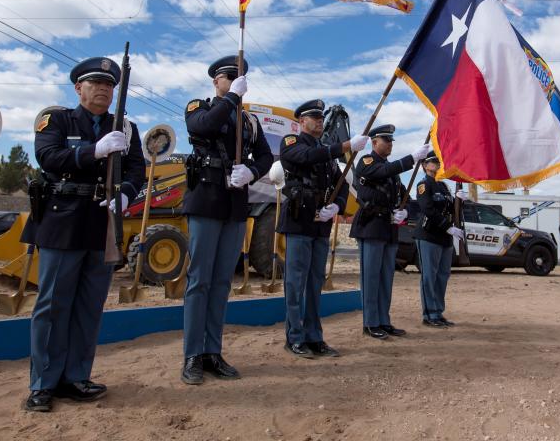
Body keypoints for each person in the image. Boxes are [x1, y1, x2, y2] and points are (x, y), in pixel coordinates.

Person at [21, 57, 146, 412]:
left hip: (101, 223)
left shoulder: (127, 127)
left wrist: (125, 193)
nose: (104, 90)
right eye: (96, 83)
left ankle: (76, 377)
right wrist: (94, 150)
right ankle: (43, 384)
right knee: (52, 305)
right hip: (63, 220)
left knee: (89, 306)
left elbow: (137, 168)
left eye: (110, 85)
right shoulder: (57, 119)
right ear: (79, 88)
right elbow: (48, 156)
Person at [180, 55, 273, 385]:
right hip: (205, 199)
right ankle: (192, 354)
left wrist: (252, 172)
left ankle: (212, 352)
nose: (233, 81)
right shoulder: (199, 106)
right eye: (227, 78)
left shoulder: (250, 122)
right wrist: (232, 97)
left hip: (234, 203)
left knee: (221, 283)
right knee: (199, 281)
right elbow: (201, 127)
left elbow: (264, 155)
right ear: (215, 81)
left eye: (238, 79)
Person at [278, 99, 367, 358]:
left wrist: (337, 206)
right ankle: (294, 338)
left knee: (315, 283)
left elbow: (340, 184)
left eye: (320, 117)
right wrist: (346, 146)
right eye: (313, 117)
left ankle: (314, 337)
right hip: (298, 219)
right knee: (295, 283)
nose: (319, 120)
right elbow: (305, 158)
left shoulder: (327, 152)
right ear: (301, 122)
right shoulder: (292, 143)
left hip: (320, 224)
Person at [350, 125, 430, 339]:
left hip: (388, 228)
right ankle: (370, 322)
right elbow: (383, 171)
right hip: (371, 227)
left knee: (386, 277)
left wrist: (403, 211)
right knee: (371, 277)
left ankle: (383, 320)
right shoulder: (367, 162)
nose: (390, 144)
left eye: (392, 140)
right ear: (374, 142)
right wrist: (412, 158)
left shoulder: (393, 173)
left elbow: (406, 198)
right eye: (386, 140)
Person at [414, 152, 466, 327]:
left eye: (438, 161)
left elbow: (452, 209)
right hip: (429, 235)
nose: (436, 164)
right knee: (429, 276)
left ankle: (438, 311)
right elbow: (428, 209)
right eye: (432, 161)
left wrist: (460, 200)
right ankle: (429, 314)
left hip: (445, 237)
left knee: (443, 275)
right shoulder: (424, 185)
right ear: (424, 165)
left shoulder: (443, 186)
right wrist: (447, 226)